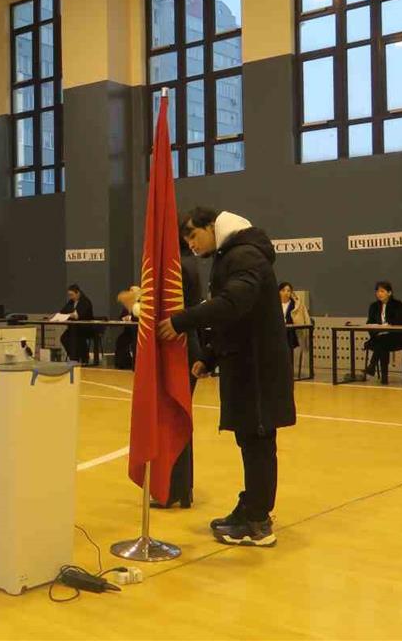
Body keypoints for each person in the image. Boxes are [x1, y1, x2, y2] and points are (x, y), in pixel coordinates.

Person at [158, 207, 295, 547]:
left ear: (211, 226)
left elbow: (233, 303)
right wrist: (209, 356)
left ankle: (258, 522)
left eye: (193, 234)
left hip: (258, 371)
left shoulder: (245, 255)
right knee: (250, 441)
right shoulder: (235, 254)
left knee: (258, 443)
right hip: (248, 366)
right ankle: (250, 508)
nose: (190, 243)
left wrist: (180, 321)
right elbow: (235, 320)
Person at [118, 236, 206, 508]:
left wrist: (133, 304)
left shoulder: (174, 265)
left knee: (170, 420)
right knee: (179, 417)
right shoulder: (187, 263)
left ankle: (171, 489)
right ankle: (181, 488)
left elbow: (162, 316)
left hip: (175, 352)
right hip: (186, 347)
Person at [364, 281, 402, 385]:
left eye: (382, 291)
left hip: (396, 337)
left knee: (381, 342)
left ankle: (372, 366)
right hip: (379, 337)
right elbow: (369, 322)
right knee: (382, 343)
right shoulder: (374, 306)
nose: (379, 294)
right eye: (377, 291)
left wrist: (389, 326)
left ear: (389, 293)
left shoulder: (397, 304)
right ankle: (383, 377)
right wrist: (375, 328)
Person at [58, 284, 95, 364]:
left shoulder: (85, 301)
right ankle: (74, 356)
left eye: (72, 295)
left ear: (78, 293)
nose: (70, 297)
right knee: (64, 338)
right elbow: (63, 311)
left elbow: (81, 315)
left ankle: (78, 358)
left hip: (85, 328)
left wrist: (72, 315)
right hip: (74, 328)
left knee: (76, 335)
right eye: (69, 295)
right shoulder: (71, 302)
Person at [279, 282, 311, 355]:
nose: (286, 293)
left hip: (291, 333)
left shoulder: (296, 305)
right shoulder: (275, 305)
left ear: (291, 292)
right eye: (283, 290)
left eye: (288, 291)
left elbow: (304, 319)